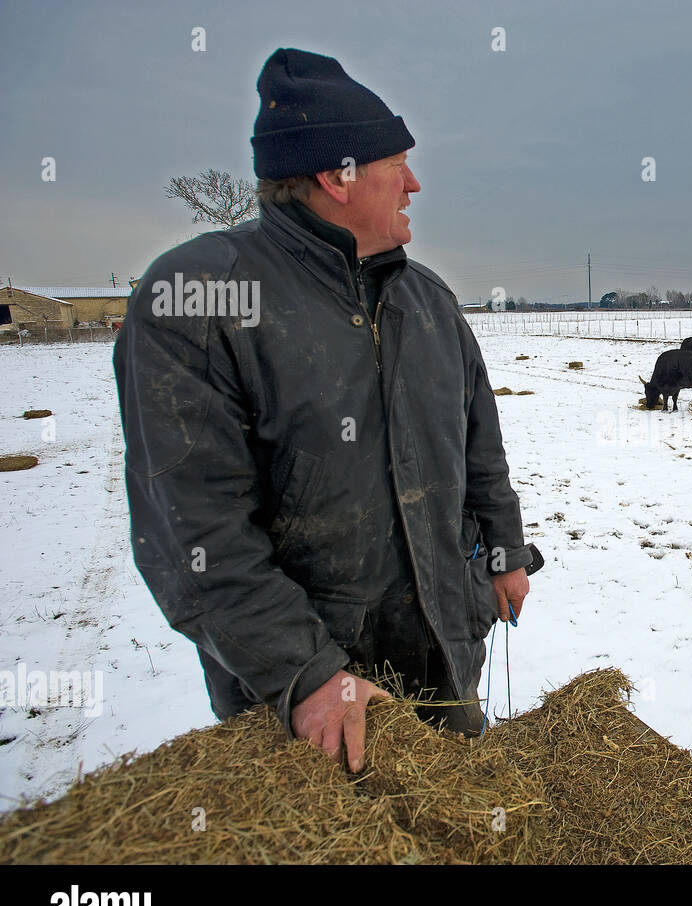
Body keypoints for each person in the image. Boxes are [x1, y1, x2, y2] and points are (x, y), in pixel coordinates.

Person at [114, 47, 534, 772]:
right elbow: (193, 532)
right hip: (313, 706)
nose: (415, 183)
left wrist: (503, 553)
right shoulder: (200, 301)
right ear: (335, 177)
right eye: (395, 164)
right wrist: (305, 674)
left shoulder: (428, 301)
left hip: (443, 661)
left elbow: (479, 448)